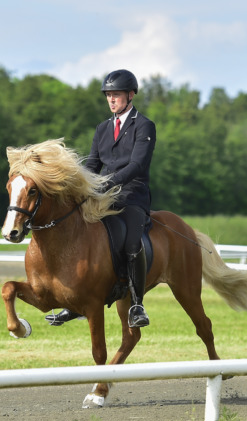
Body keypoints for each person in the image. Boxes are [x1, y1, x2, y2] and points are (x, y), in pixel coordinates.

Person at [46, 69, 156, 328]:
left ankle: (137, 304)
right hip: (102, 193)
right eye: (108, 95)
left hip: (132, 195)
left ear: (130, 95)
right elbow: (93, 164)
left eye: (116, 95)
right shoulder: (103, 128)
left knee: (131, 242)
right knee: (76, 233)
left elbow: (138, 165)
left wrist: (107, 183)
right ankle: (75, 303)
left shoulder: (144, 125)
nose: (111, 100)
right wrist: (75, 184)